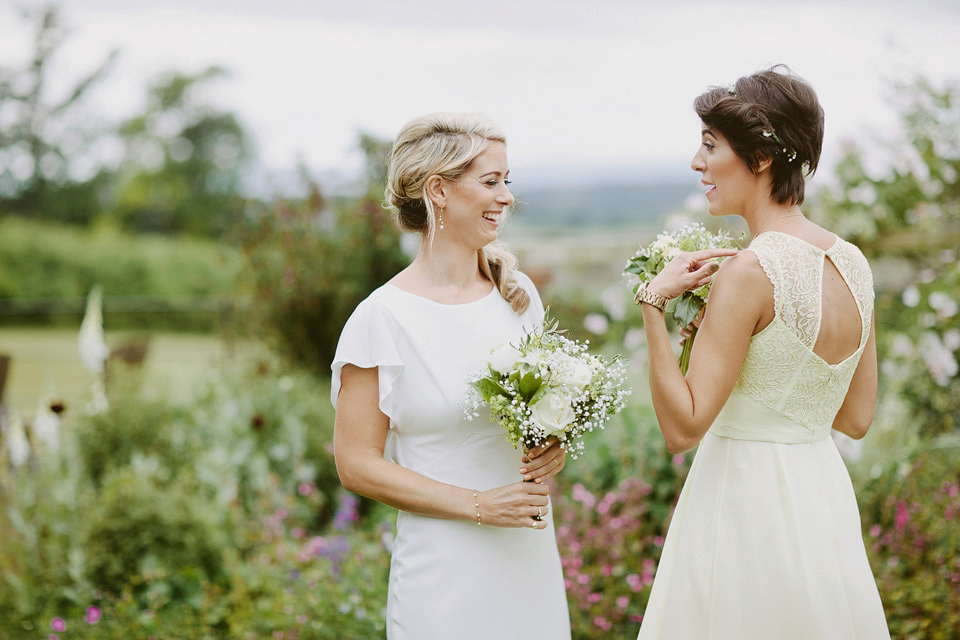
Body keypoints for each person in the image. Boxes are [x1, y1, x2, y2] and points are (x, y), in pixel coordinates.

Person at [633, 67, 890, 639]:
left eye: (709, 145)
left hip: (743, 500)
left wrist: (652, 303)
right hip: (819, 499)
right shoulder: (852, 263)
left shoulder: (749, 272)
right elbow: (855, 418)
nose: (696, 164)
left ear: (761, 157)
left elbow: (682, 429)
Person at [331, 112, 572, 639]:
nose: (506, 196)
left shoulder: (519, 296)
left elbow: (536, 420)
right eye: (490, 181)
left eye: (508, 181)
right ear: (438, 190)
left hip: (527, 556)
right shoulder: (382, 319)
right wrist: (479, 505)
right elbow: (356, 465)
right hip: (443, 571)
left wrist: (551, 445)